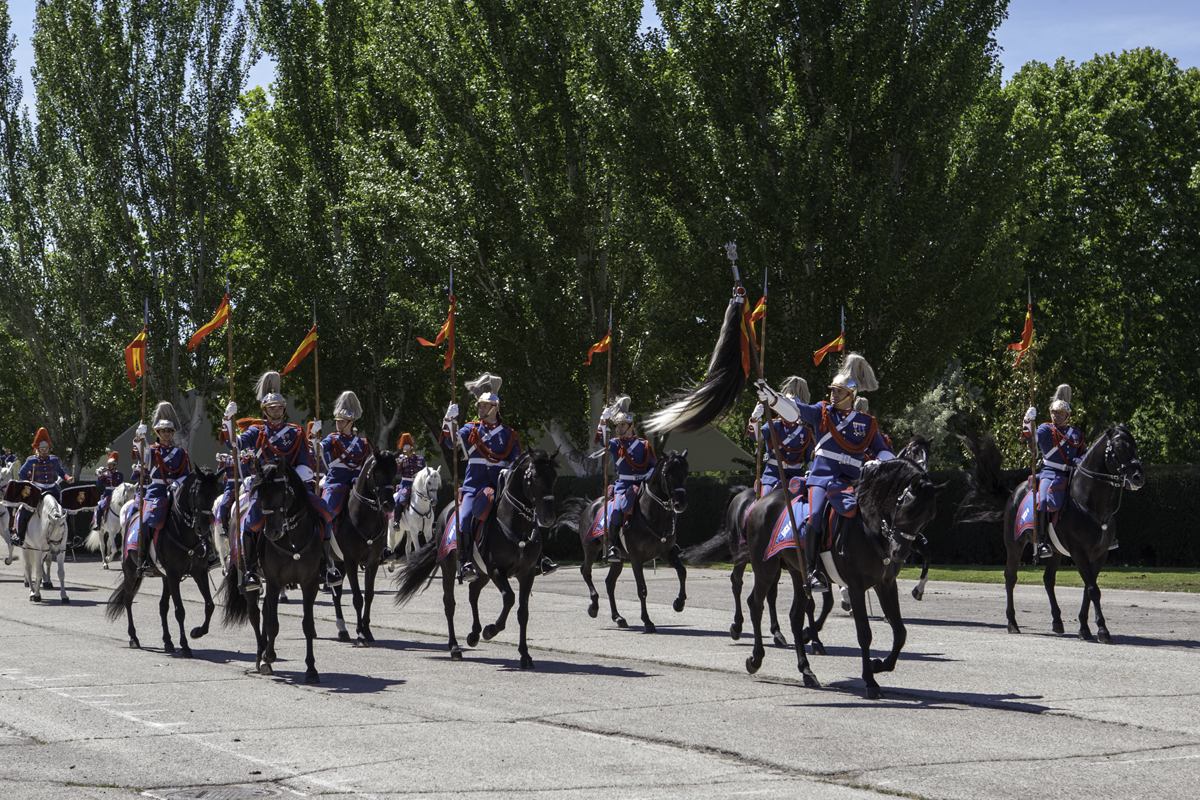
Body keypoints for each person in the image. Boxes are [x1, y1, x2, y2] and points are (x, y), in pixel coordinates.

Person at [756, 352, 895, 592]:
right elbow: (795, 411)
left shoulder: (867, 422)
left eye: (838, 392)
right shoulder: (822, 412)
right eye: (832, 390)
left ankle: (883, 560)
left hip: (853, 480)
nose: (833, 394)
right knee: (817, 514)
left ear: (851, 395)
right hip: (823, 478)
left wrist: (883, 463)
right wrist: (774, 400)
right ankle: (812, 571)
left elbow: (882, 450)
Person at [220, 371, 336, 593]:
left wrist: (298, 477)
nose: (276, 411)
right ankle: (252, 568)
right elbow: (233, 445)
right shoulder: (256, 432)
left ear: (284, 409)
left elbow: (304, 460)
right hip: (266, 488)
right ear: (264, 411)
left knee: (326, 512)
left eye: (279, 408)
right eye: (271, 408)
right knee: (249, 521)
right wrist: (227, 420)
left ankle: (325, 564)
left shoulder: (295, 431)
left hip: (292, 485)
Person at [440, 373, 557, 581]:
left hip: (501, 485)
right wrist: (449, 420)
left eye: (484, 406)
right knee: (465, 517)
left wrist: (508, 472)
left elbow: (515, 461)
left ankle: (539, 558)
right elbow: (451, 443)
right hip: (475, 486)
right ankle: (466, 561)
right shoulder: (470, 429)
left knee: (529, 512)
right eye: (479, 406)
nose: (480, 409)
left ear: (495, 408)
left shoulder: (508, 434)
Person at [1022, 384, 1087, 560]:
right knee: (1042, 500)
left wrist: (1080, 459)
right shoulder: (1045, 429)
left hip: (1072, 475)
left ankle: (1102, 535)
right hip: (1050, 473)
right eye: (1053, 413)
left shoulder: (1076, 434)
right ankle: (1042, 542)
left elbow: (1084, 453)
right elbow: (1031, 438)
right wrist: (1028, 422)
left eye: (1059, 413)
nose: (1055, 416)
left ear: (1067, 415)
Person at [317, 391, 373, 585]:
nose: (338, 424)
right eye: (337, 421)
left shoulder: (362, 443)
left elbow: (367, 465)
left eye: (342, 422)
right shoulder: (331, 440)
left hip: (356, 483)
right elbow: (318, 450)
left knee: (377, 507)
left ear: (351, 423)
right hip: (336, 483)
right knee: (324, 513)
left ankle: (381, 547)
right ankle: (322, 558)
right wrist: (315, 438)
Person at [595, 395, 658, 565]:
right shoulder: (616, 444)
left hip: (643, 484)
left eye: (622, 425)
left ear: (631, 426)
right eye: (617, 426)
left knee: (665, 505)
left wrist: (648, 475)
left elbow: (654, 466)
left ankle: (668, 543)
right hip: (623, 486)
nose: (619, 429)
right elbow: (604, 442)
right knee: (616, 511)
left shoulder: (644, 445)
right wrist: (603, 421)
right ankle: (613, 547)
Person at [129, 403, 192, 572]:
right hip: (157, 491)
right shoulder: (152, 451)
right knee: (147, 520)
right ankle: (143, 558)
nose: (167, 434)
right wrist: (139, 438)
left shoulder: (181, 453)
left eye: (170, 431)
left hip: (177, 490)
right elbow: (141, 455)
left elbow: (187, 473)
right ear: (157, 433)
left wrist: (178, 483)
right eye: (163, 431)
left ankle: (203, 553)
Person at [747, 377, 815, 499]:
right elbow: (757, 438)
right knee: (764, 503)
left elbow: (810, 458)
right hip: (773, 474)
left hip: (796, 475)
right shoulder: (773, 425)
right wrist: (754, 419)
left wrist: (810, 471)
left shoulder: (805, 432)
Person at [12, 428, 75, 546]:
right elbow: (21, 473)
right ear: (38, 450)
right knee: (25, 510)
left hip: (53, 489)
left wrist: (68, 478)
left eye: (46, 449)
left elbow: (61, 472)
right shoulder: (31, 460)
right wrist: (27, 482)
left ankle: (72, 537)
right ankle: (19, 536)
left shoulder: (54, 459)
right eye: (42, 449)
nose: (45, 451)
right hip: (37, 490)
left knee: (69, 510)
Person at [91, 452, 125, 534]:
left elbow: (121, 485)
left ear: (115, 465)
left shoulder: (119, 475)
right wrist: (100, 476)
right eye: (108, 464)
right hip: (107, 493)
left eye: (111, 464)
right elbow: (98, 484)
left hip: (117, 494)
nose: (109, 466)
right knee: (99, 506)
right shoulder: (105, 474)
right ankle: (98, 524)